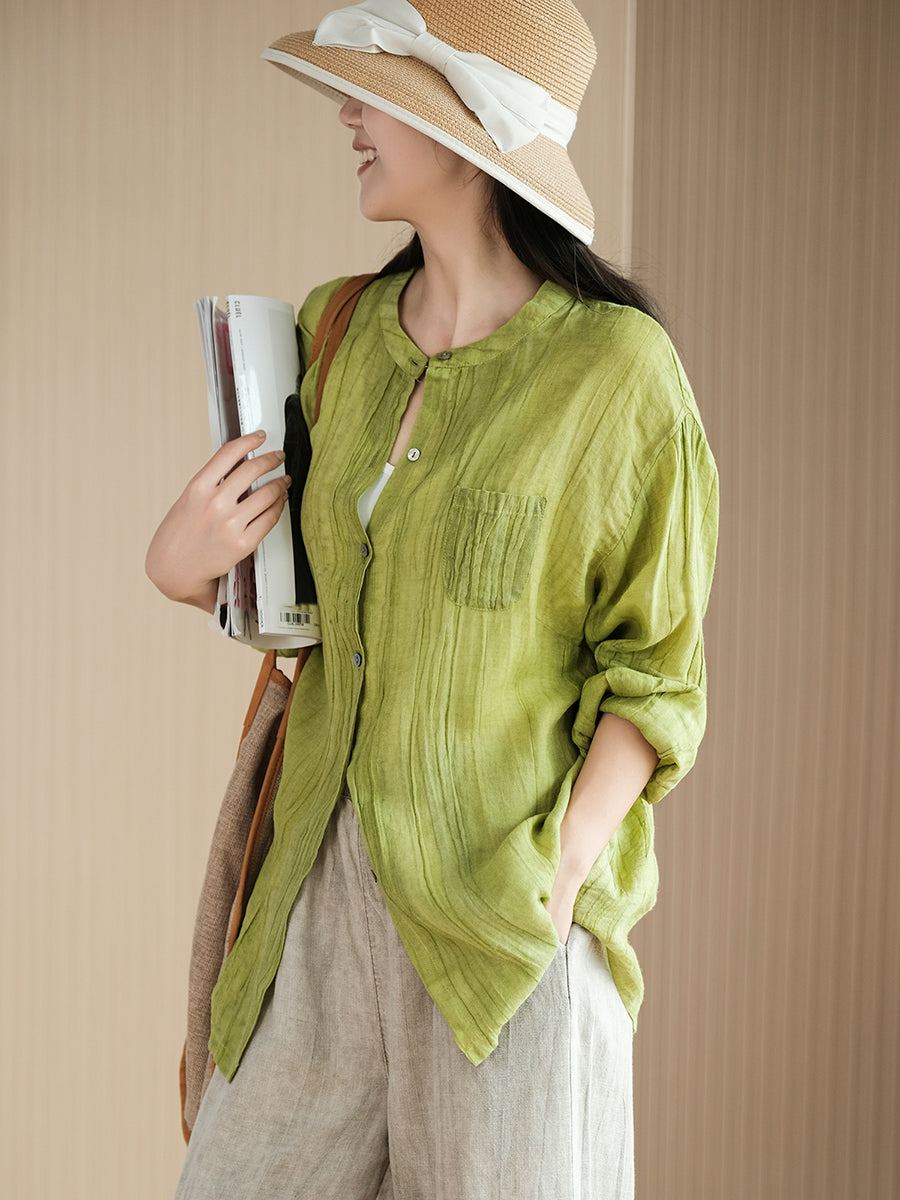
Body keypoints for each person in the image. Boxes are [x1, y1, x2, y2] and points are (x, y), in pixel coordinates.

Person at [147, 2, 718, 1196]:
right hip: (315, 897)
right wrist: (182, 564)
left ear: (465, 128)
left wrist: (558, 873)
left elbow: (657, 678)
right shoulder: (337, 333)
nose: (348, 115)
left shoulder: (616, 372)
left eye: (377, 92)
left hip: (503, 924)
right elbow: (304, 611)